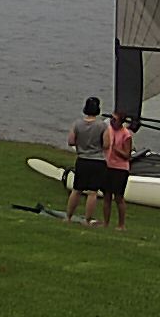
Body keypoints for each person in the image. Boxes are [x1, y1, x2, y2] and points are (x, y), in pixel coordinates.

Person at [65, 96, 108, 226]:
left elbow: (71, 141)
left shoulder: (77, 124)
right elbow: (106, 144)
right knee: (92, 192)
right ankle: (87, 220)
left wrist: (81, 144)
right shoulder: (102, 125)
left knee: (77, 190)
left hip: (82, 159)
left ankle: (68, 217)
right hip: (98, 161)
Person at [101, 110, 136, 230]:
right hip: (108, 165)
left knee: (118, 197)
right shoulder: (108, 130)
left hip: (120, 169)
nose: (112, 121)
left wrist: (116, 149)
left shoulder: (126, 134)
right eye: (111, 118)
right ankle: (105, 223)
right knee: (106, 196)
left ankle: (121, 224)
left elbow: (127, 155)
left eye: (114, 119)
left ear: (120, 122)